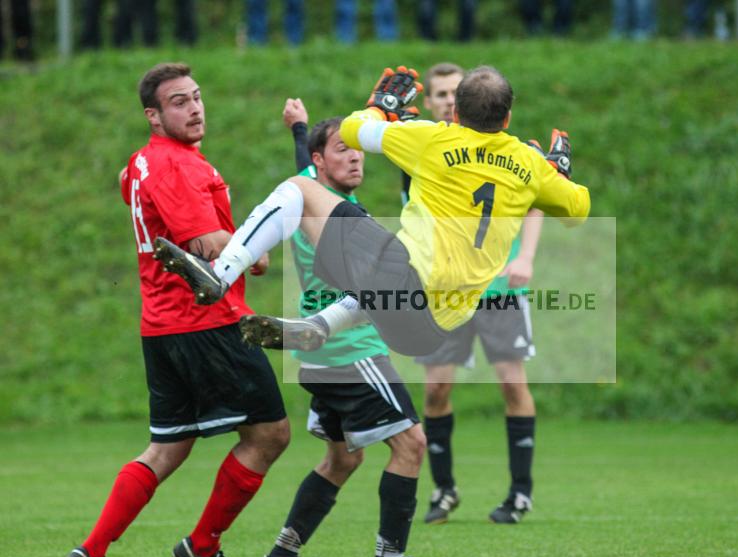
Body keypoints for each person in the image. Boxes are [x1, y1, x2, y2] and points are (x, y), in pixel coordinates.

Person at [154, 65, 590, 362]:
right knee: (379, 264)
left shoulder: (432, 138)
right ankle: (322, 326)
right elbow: (576, 210)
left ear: (455, 112)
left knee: (303, 190)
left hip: (404, 281)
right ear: (508, 118)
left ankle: (223, 271)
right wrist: (559, 173)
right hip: (433, 331)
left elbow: (351, 130)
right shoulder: (530, 167)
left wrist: (381, 107)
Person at [62, 62, 290, 557]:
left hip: (161, 327)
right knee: (271, 434)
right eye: (179, 102)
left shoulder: (144, 162)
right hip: (207, 320)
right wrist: (256, 250)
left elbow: (129, 185)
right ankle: (201, 546)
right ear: (154, 115)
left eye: (197, 97)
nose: (194, 107)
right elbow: (209, 248)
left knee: (167, 447)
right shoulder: (176, 166)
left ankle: (90, 553)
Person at [255, 104, 430, 557]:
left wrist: (297, 128)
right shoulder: (328, 215)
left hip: (322, 354)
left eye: (359, 150)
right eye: (342, 149)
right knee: (412, 444)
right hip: (348, 352)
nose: (355, 157)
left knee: (342, 459)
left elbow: (303, 173)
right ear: (319, 162)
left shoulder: (321, 206)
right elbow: (304, 174)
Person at [408, 63, 544, 525]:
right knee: (436, 389)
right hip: (445, 292)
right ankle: (444, 490)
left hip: (498, 287)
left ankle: (520, 493)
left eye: (455, 92)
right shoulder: (423, 145)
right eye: (441, 93)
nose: (448, 99)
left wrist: (524, 257)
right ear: (429, 101)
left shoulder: (507, 150)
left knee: (512, 383)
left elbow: (538, 197)